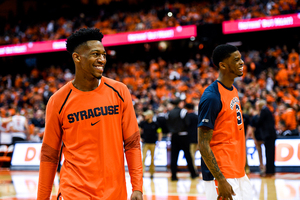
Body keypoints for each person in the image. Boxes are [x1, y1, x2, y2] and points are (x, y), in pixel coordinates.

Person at [37, 28, 143, 200]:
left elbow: (132, 143)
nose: (102, 60)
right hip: (74, 192)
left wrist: (137, 187)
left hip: (114, 192)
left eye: (104, 55)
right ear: (77, 57)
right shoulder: (58, 100)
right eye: (95, 54)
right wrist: (42, 198)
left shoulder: (119, 91)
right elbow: (50, 154)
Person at [198, 44, 253, 200]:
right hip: (222, 174)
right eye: (236, 60)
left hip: (238, 171)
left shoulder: (233, 89)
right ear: (222, 65)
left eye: (241, 58)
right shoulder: (212, 97)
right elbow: (202, 143)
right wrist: (221, 179)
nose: (242, 62)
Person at [166, 98, 198, 181]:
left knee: (174, 157)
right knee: (188, 156)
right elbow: (187, 123)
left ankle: (173, 176)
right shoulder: (183, 112)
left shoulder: (170, 112)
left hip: (174, 136)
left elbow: (167, 124)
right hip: (183, 136)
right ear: (180, 103)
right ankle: (193, 174)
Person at [256, 99, 276, 177]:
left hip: (269, 136)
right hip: (271, 135)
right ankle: (271, 171)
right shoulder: (267, 110)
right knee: (270, 154)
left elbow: (259, 122)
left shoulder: (264, 111)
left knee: (269, 154)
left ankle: (268, 172)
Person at [139, 109, 162, 179]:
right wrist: (140, 138)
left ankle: (152, 173)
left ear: (150, 116)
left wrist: (159, 140)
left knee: (152, 159)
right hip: (145, 143)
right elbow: (138, 130)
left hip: (153, 143)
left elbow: (159, 132)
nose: (144, 117)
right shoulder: (143, 123)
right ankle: (142, 173)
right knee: (143, 158)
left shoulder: (156, 124)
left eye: (146, 115)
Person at [185, 103, 199, 174]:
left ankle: (194, 171)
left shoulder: (187, 116)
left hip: (190, 138)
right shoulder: (197, 116)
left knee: (191, 155)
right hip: (197, 138)